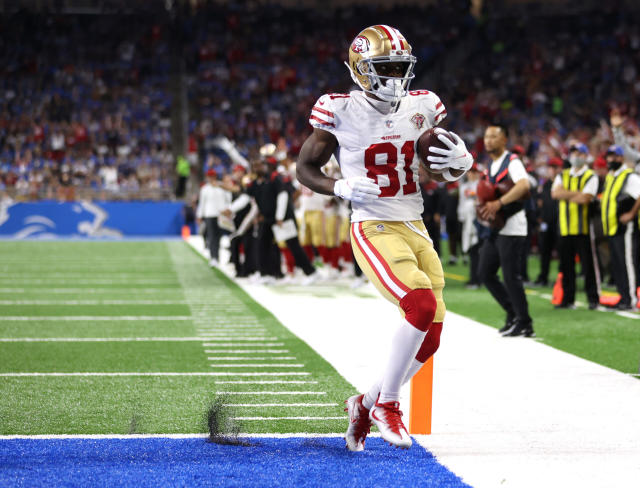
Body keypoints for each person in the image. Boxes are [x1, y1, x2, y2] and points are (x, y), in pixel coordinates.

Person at [295, 25, 473, 450]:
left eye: (399, 68)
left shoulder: (424, 105)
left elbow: (434, 170)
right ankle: (388, 404)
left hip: (415, 223)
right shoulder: (338, 109)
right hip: (372, 224)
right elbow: (305, 168)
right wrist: (338, 187)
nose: (394, 78)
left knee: (431, 336)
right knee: (420, 303)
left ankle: (364, 403)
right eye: (384, 68)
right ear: (359, 69)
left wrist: (462, 163)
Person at [477, 124, 534, 337]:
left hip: (513, 228)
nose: (489, 140)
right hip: (496, 228)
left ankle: (525, 322)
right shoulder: (489, 166)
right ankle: (513, 313)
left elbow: (524, 185)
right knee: (485, 273)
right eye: (486, 136)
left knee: (512, 277)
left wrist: (499, 203)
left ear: (504, 141)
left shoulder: (512, 161)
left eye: (494, 136)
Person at [551, 143, 600, 309]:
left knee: (588, 266)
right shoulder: (563, 174)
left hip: (584, 228)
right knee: (566, 266)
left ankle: (593, 298)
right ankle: (568, 299)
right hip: (564, 228)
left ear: (586, 156)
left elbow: (585, 199)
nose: (575, 156)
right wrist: (576, 194)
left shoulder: (590, 175)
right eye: (573, 153)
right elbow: (555, 193)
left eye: (579, 153)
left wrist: (566, 194)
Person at [600, 145, 640, 310]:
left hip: (626, 228)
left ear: (622, 158)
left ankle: (630, 299)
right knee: (618, 264)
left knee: (627, 263)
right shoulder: (611, 176)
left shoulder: (629, 176)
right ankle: (623, 296)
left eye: (614, 157)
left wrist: (631, 214)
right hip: (612, 227)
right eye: (609, 156)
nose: (611, 160)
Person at [534, 157, 563, 287]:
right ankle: (543, 277)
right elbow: (540, 202)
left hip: (559, 222)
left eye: (554, 167)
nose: (551, 170)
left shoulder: (562, 183)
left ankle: (562, 279)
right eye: (550, 167)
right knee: (544, 251)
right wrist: (540, 218)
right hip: (546, 222)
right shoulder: (545, 184)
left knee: (562, 253)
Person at [197, 169, 232, 267]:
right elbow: (202, 203)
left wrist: (228, 210)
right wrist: (200, 215)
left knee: (219, 236)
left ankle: (219, 256)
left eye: (212, 176)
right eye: (209, 176)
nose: (211, 178)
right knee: (211, 236)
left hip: (221, 215)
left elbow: (228, 199)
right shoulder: (204, 189)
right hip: (209, 215)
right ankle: (214, 257)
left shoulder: (221, 187)